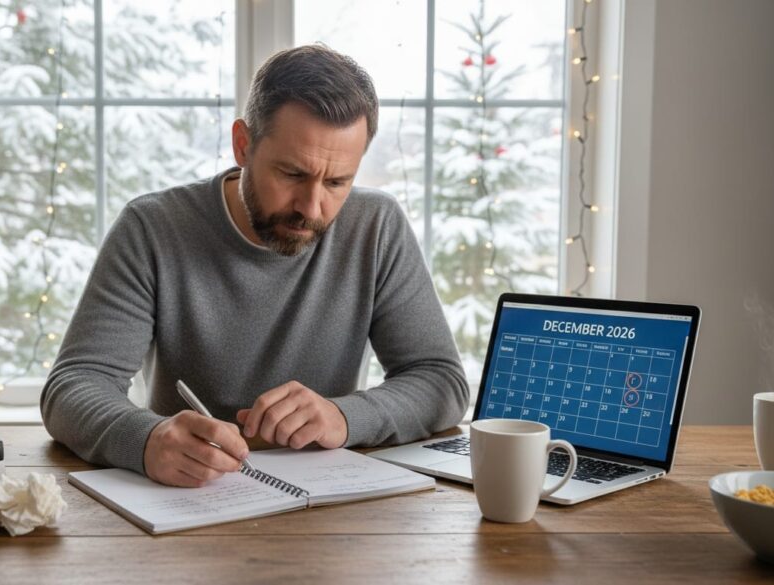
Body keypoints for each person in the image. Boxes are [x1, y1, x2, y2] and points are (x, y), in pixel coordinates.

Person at [41, 45, 469, 488]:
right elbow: (74, 386)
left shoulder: (376, 227)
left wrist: (344, 415)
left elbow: (441, 383)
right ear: (243, 144)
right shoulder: (152, 228)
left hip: (327, 506)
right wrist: (146, 438)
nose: (312, 206)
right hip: (188, 500)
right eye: (292, 174)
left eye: (338, 182)